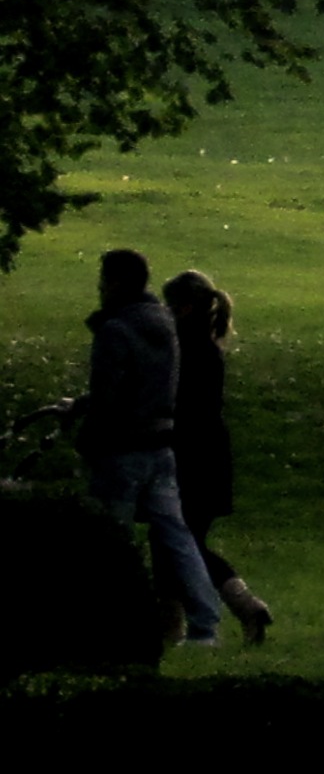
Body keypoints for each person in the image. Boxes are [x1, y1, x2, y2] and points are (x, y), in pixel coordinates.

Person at [77, 247, 225, 648]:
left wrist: (86, 434)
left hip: (121, 448)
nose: (100, 287)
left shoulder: (115, 330)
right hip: (161, 444)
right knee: (178, 537)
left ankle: (112, 622)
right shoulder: (163, 321)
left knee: (113, 538)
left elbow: (108, 394)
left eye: (104, 279)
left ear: (119, 282)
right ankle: (205, 624)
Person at [159, 269, 270, 644]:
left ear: (184, 308)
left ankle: (184, 622)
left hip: (189, 456)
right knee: (185, 539)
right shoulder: (208, 349)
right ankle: (239, 605)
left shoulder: (183, 351)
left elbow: (176, 405)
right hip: (209, 455)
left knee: (177, 540)